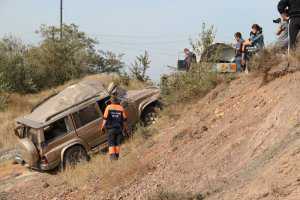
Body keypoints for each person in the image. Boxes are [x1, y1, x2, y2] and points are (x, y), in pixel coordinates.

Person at [101, 95, 128, 161]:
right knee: (117, 144)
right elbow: (124, 119)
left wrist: (102, 127)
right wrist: (125, 128)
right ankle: (117, 157)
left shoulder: (108, 107)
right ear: (117, 101)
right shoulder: (121, 108)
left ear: (111, 101)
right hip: (119, 129)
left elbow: (105, 119)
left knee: (111, 144)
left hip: (111, 130)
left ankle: (113, 158)